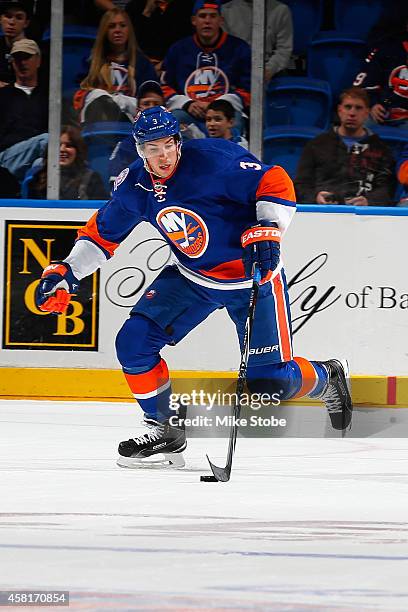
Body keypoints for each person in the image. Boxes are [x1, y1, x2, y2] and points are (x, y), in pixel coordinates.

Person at [34, 106, 353, 469]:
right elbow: (102, 234)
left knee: (270, 385)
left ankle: (328, 375)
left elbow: (275, 180)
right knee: (133, 344)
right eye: (152, 148)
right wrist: (67, 271)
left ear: (178, 142)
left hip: (252, 278)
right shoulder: (135, 185)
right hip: (190, 277)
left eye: (168, 145)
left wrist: (269, 226)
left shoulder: (216, 161)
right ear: (140, 150)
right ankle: (166, 429)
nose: (162, 155)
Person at [160, 0, 251, 135]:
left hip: (225, 111)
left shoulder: (239, 48)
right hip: (188, 111)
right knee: (172, 121)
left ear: (221, 20)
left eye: (212, 16)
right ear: (193, 20)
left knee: (234, 123)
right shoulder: (178, 50)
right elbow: (164, 86)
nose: (207, 21)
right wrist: (187, 103)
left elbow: (248, 89)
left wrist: (218, 105)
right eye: (202, 16)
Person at [295, 87, 395, 206]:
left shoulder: (380, 149)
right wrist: (315, 197)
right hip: (322, 212)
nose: (352, 113)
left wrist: (369, 201)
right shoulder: (317, 145)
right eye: (348, 107)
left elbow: (387, 188)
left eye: (358, 108)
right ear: (339, 110)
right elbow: (301, 184)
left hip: (365, 216)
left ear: (367, 113)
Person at [73, 8, 157, 124]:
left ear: (129, 30)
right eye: (112, 26)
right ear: (104, 31)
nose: (117, 30)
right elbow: (79, 94)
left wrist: (122, 101)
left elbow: (151, 99)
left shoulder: (142, 63)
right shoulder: (91, 62)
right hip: (99, 121)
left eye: (122, 25)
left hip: (133, 123)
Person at [0, 39, 48, 182]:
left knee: (39, 164)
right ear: (12, 62)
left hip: (40, 157)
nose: (22, 63)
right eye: (18, 58)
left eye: (27, 57)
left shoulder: (49, 96)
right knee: (47, 141)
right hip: (7, 157)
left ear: (38, 61)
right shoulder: (3, 96)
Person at [353, 11, 408, 127]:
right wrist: (373, 104)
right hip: (382, 111)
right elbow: (367, 84)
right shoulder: (387, 49)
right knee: (360, 121)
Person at [26, 125, 109, 200]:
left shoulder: (92, 179)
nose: (62, 149)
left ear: (78, 151)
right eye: (58, 145)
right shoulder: (37, 178)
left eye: (68, 145)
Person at [221, 0, 293, 84]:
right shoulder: (226, 10)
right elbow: (225, 48)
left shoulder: (281, 10)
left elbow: (284, 49)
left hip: (270, 69)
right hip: (236, 67)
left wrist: (269, 69)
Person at [125, 0, 194, 76]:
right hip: (141, 66)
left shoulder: (186, 6)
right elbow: (132, 42)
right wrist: (147, 12)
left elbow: (185, 44)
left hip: (173, 65)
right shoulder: (133, 7)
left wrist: (163, 64)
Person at [0, 0, 30, 86]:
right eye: (8, 16)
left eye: (19, 18)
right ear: (0, 19)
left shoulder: (33, 50)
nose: (12, 22)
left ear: (26, 23)